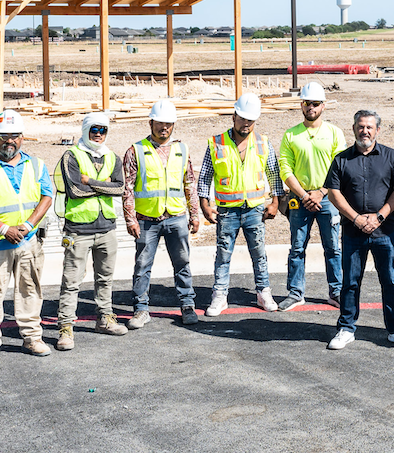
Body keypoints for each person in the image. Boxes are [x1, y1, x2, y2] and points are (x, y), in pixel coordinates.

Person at [0, 110, 55, 367]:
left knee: (30, 289)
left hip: (28, 240)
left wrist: (28, 225)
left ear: (22, 138)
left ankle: (32, 338)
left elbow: (47, 196)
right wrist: (5, 228)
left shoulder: (37, 165)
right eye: (4, 136)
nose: (9, 141)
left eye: (14, 136)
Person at [325, 110, 394, 350]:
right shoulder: (341, 159)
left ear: (377, 130)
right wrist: (356, 219)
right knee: (351, 282)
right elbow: (334, 193)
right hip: (353, 233)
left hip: (384, 232)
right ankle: (346, 328)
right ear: (354, 128)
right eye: (361, 126)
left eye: (369, 127)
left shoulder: (391, 157)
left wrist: (379, 216)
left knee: (391, 280)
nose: (365, 131)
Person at [198, 93, 284, 316]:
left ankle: (263, 292)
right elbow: (205, 175)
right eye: (242, 118)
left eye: (250, 120)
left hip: (255, 209)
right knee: (223, 254)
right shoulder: (217, 143)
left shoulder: (263, 143)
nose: (246, 124)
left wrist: (275, 202)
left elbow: (274, 173)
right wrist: (205, 205)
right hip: (227, 210)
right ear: (234, 116)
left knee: (259, 253)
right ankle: (219, 295)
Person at [52, 111, 127, 351]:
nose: (98, 134)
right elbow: (75, 191)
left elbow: (120, 189)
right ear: (85, 130)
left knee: (105, 279)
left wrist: (90, 182)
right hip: (78, 229)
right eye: (94, 129)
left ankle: (104, 318)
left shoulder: (113, 157)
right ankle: (65, 327)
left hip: (106, 227)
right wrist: (103, 186)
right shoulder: (71, 155)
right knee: (71, 281)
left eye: (103, 130)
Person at [123, 99, 201, 327]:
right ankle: (140, 309)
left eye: (168, 124)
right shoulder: (135, 151)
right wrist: (130, 218)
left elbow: (190, 184)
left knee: (182, 263)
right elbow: (127, 187)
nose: (164, 127)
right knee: (142, 266)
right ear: (151, 123)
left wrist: (195, 214)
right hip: (147, 221)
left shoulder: (182, 149)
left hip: (176, 217)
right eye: (159, 123)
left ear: (173, 125)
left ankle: (187, 306)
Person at [277, 82, 346, 311]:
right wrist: (305, 194)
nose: (311, 108)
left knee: (333, 248)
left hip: (328, 199)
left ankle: (336, 291)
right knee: (297, 248)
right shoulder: (291, 135)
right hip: (301, 199)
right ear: (301, 105)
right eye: (307, 103)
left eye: (315, 104)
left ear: (323, 106)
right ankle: (296, 293)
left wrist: (321, 192)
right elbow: (285, 169)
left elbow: (339, 168)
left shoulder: (334, 133)